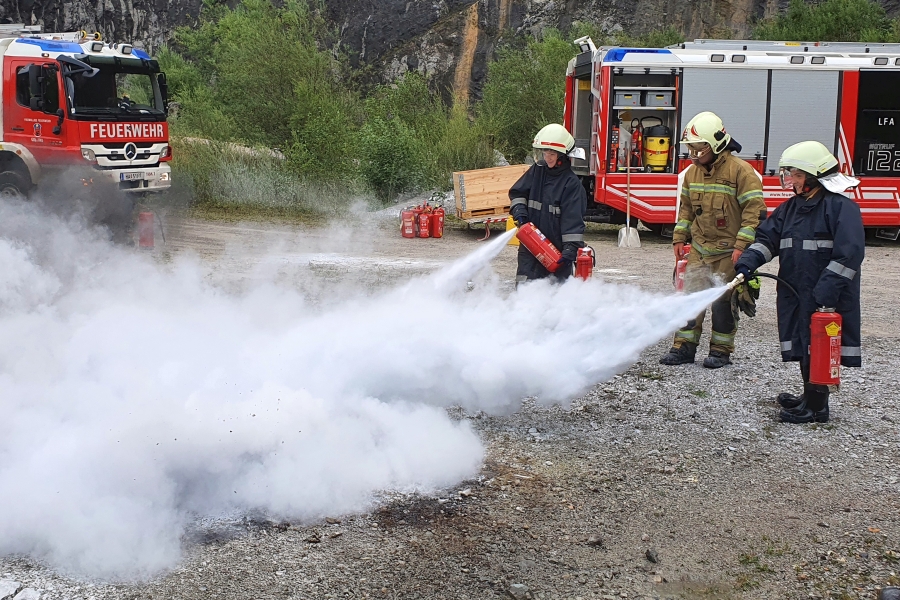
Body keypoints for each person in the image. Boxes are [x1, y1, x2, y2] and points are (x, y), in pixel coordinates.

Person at [734, 141, 864, 424]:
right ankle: (808, 396)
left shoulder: (841, 208)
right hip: (796, 290)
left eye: (797, 174)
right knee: (805, 344)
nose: (791, 179)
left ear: (814, 176)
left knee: (820, 345)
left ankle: (817, 407)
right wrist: (748, 262)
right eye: (790, 173)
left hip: (827, 295)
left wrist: (826, 290)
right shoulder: (790, 209)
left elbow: (850, 254)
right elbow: (767, 239)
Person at [659, 111, 766, 369]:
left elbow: (754, 213)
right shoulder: (691, 174)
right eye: (691, 149)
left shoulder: (742, 172)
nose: (694, 155)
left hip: (729, 253)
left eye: (699, 149)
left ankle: (720, 350)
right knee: (690, 299)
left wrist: (742, 247)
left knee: (723, 303)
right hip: (699, 249)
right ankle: (683, 347)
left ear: (716, 145)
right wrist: (679, 237)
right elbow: (686, 210)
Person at [509, 124, 587, 284]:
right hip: (530, 246)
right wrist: (520, 213)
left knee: (555, 292)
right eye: (545, 153)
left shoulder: (571, 184)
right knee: (524, 287)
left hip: (556, 252)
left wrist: (570, 249)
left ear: (562, 156)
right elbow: (518, 193)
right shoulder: (537, 171)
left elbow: (573, 220)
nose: (547, 157)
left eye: (552, 154)